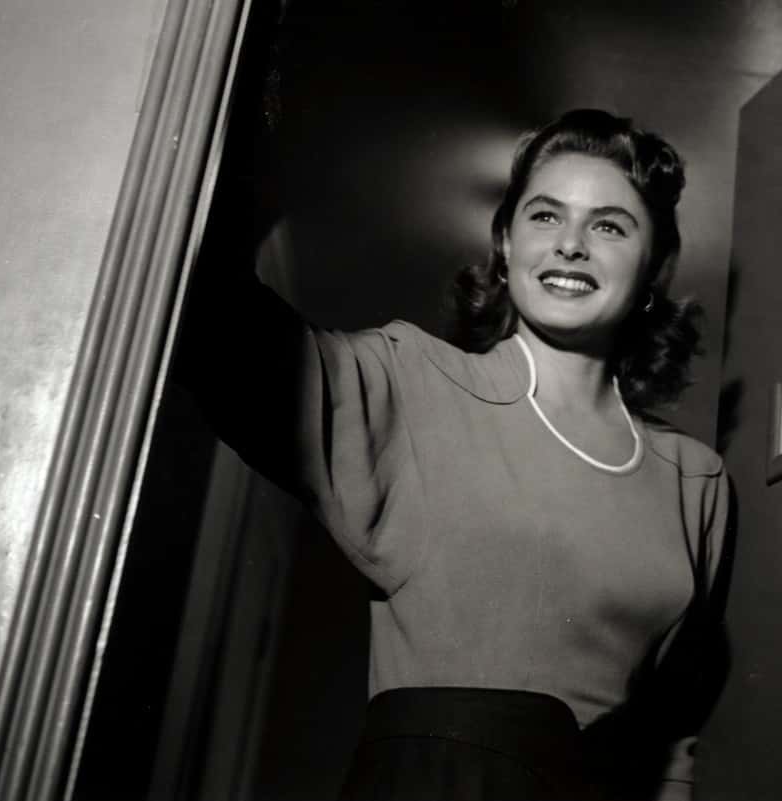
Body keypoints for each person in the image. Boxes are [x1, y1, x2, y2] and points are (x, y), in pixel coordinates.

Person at [177, 109, 736, 801]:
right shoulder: (413, 385)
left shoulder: (695, 483)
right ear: (504, 242)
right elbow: (225, 335)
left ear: (653, 267)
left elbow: (675, 740)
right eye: (544, 216)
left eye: (610, 226)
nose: (570, 245)